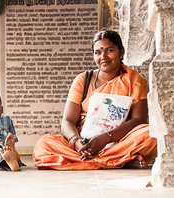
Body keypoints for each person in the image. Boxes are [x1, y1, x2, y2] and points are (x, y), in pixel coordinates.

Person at [33, 29, 157, 170]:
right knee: (44, 144)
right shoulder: (82, 80)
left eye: (109, 50)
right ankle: (118, 161)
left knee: (150, 133)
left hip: (118, 140)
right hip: (84, 142)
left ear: (121, 52)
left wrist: (106, 138)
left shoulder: (135, 81)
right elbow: (67, 121)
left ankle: (97, 161)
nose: (103, 56)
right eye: (97, 52)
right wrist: (76, 142)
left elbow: (138, 120)